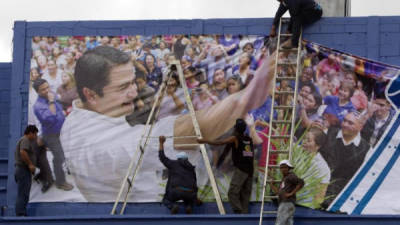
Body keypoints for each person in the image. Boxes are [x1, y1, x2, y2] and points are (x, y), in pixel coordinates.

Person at [60, 45, 275, 202]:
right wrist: (246, 98)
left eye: (133, 82)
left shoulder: (81, 114)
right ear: (91, 94)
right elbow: (183, 131)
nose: (134, 92)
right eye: (122, 87)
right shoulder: (97, 147)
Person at [198, 119, 254, 214]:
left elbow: (220, 142)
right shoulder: (248, 139)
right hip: (250, 170)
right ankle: (244, 216)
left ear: (235, 128)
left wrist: (205, 140)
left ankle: (239, 212)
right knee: (245, 194)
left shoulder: (235, 138)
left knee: (232, 192)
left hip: (242, 169)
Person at [319, 112, 370, 208]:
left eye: (350, 123)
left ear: (360, 127)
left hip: (344, 198)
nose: (345, 124)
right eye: (345, 121)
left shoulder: (366, 149)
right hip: (319, 189)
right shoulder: (327, 134)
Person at [33, 78, 73, 191]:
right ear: (38, 92)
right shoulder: (38, 106)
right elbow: (50, 119)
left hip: (62, 131)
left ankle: (62, 176)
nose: (47, 90)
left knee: (63, 155)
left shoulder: (53, 95)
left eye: (47, 87)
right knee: (59, 157)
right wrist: (51, 102)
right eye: (43, 89)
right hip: (51, 135)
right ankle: (60, 182)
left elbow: (59, 108)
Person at [158, 136, 198, 214]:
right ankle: (188, 206)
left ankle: (172, 206)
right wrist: (195, 198)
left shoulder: (173, 164)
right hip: (190, 192)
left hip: (176, 191)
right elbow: (194, 183)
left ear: (178, 159)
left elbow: (162, 157)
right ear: (186, 159)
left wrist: (161, 143)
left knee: (166, 200)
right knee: (189, 199)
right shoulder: (191, 168)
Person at [269, 160, 304, 225]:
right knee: (288, 223)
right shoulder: (285, 178)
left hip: (286, 203)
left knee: (280, 222)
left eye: (285, 167)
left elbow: (301, 182)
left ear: (289, 168)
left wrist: (291, 193)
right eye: (281, 168)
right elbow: (279, 192)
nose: (283, 169)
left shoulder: (291, 176)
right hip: (287, 203)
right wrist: (272, 185)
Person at [14, 125, 39, 216]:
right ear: (30, 133)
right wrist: (30, 164)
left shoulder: (24, 140)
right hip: (22, 170)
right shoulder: (25, 140)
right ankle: (20, 214)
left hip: (23, 170)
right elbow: (23, 152)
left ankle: (21, 212)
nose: (36, 136)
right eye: (35, 134)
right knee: (23, 193)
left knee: (24, 192)